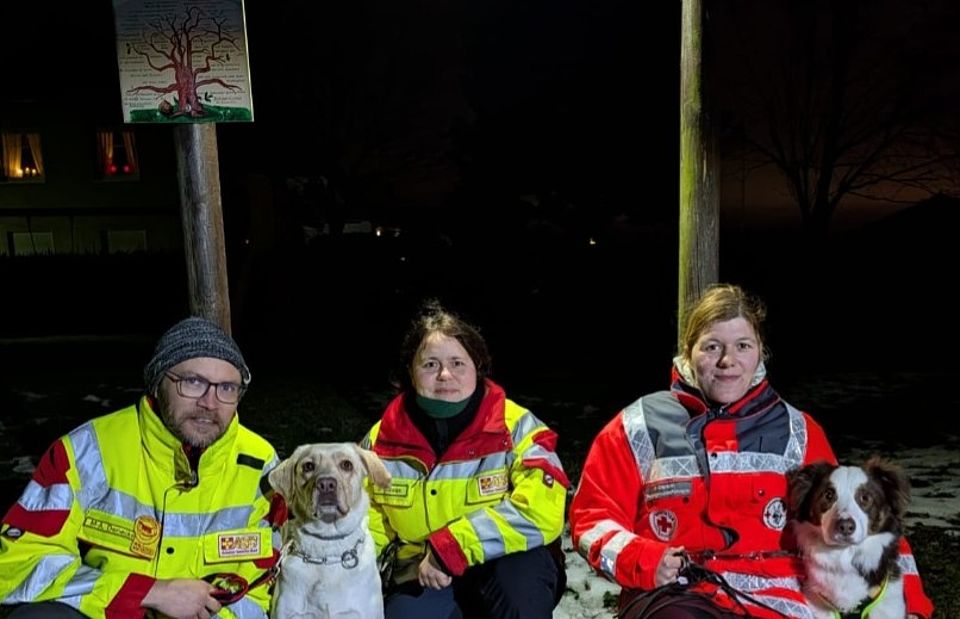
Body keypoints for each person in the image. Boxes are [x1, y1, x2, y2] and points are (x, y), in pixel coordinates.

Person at [568, 284, 934, 619]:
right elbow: (590, 518)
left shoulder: (798, 430)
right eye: (712, 347)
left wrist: (912, 605)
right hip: (676, 594)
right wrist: (645, 559)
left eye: (743, 346)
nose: (729, 360)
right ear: (687, 351)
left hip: (780, 600)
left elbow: (867, 517)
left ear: (760, 352)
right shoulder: (638, 424)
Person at [0, 317, 282, 619]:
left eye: (227, 387)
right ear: (158, 383)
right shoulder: (89, 450)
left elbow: (263, 590)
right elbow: (19, 561)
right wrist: (148, 592)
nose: (209, 402)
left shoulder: (261, 465)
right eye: (193, 382)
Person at [360, 301, 568, 619]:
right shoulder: (380, 441)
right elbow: (366, 518)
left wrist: (453, 546)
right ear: (409, 372)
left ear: (478, 367)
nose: (445, 375)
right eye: (430, 364)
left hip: (506, 565)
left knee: (521, 600)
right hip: (423, 570)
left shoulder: (518, 427)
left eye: (458, 363)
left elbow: (542, 510)